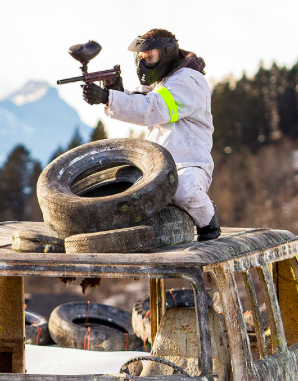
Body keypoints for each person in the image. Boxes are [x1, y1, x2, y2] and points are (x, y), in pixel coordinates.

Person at [82, 28, 220, 241]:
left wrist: (108, 97)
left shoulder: (188, 80)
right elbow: (143, 97)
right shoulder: (166, 81)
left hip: (189, 164)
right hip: (159, 163)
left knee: (185, 191)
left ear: (167, 53)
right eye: (141, 58)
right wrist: (118, 93)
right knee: (125, 188)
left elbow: (153, 108)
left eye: (150, 56)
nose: (143, 63)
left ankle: (208, 220)